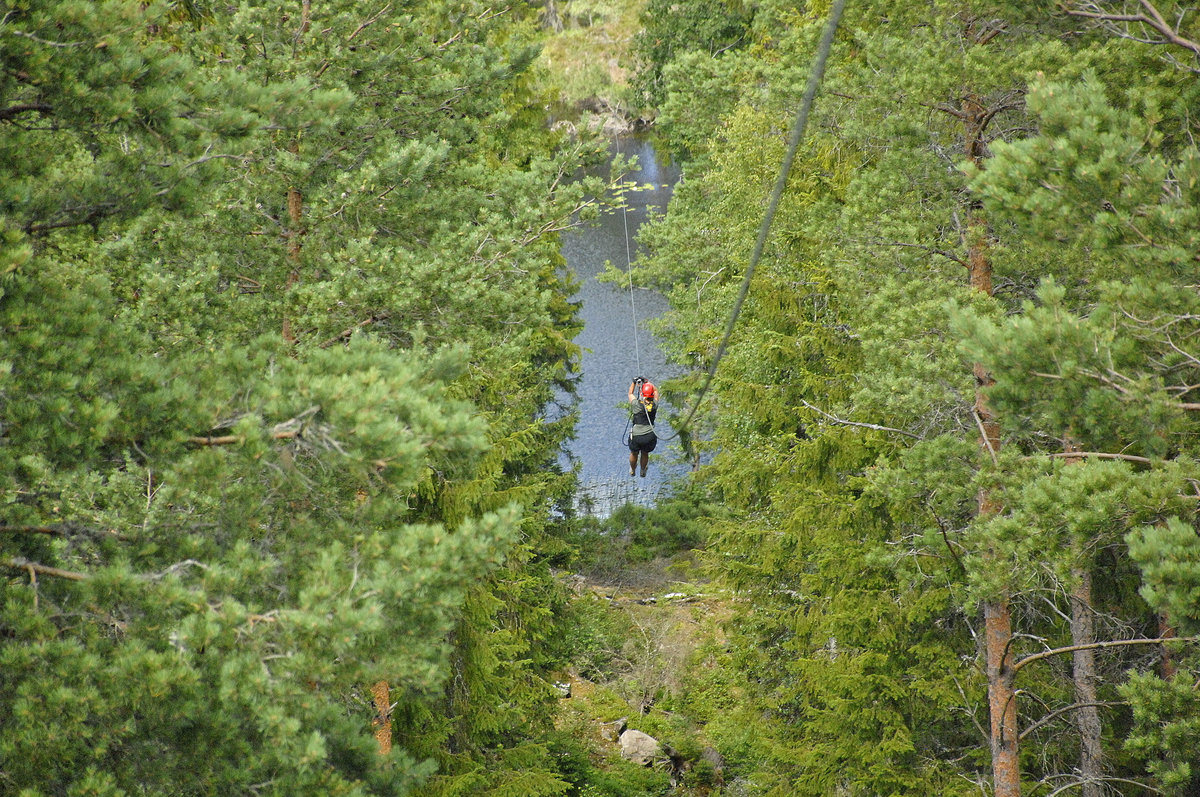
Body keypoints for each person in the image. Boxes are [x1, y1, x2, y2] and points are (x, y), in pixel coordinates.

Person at [627, 378, 659, 477]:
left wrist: (633, 381)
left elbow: (630, 393)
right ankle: (642, 470)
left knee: (634, 453)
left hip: (636, 435)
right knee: (645, 453)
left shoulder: (636, 404)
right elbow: (656, 391)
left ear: (642, 394)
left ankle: (632, 469)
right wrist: (647, 383)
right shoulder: (654, 405)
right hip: (649, 435)